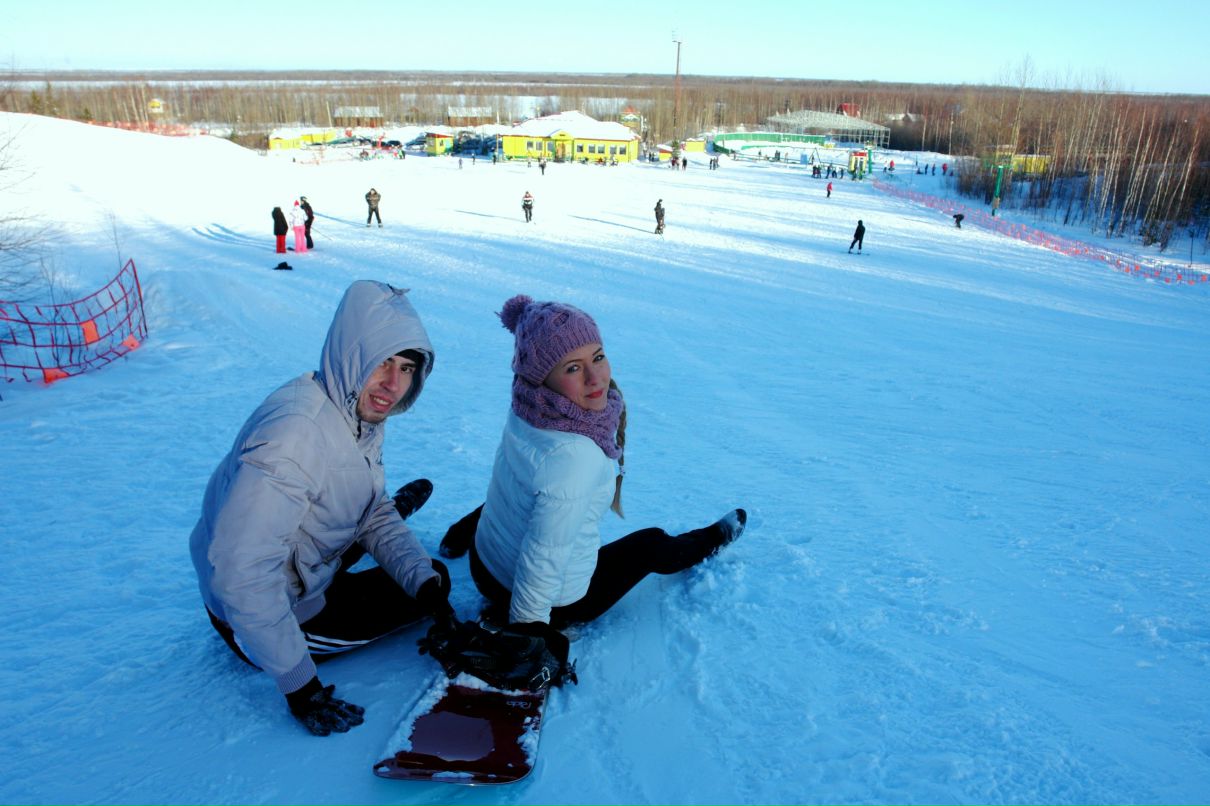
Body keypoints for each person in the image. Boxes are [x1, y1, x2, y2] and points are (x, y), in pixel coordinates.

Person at [190, 280, 453, 736]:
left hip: (302, 555)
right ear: (353, 355)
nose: (393, 384)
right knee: (435, 581)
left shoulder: (350, 409)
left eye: (407, 367)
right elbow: (241, 575)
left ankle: (386, 526)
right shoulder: (293, 438)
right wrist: (301, 687)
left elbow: (369, 510)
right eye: (382, 362)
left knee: (424, 576)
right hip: (259, 619)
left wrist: (423, 585)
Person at [438, 295, 746, 678]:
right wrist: (528, 631)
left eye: (598, 357)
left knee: (518, 489)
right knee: (649, 543)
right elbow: (544, 553)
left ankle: (457, 537)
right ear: (542, 378)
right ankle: (711, 539)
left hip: (484, 563)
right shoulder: (574, 458)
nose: (595, 377)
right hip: (547, 599)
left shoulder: (527, 404)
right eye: (573, 367)